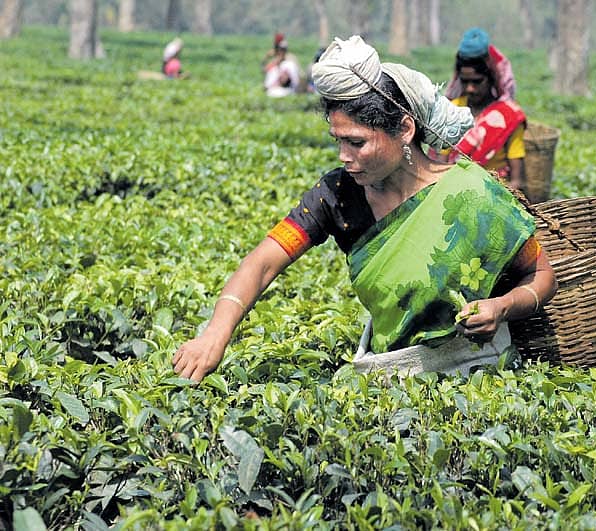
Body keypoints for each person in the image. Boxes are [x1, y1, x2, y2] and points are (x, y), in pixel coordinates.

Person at [173, 36, 557, 382]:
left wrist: (501, 307)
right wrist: (214, 336)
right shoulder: (337, 194)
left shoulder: (473, 191)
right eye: (338, 141)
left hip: (480, 377)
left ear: (405, 130)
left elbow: (541, 275)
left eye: (357, 143)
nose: (345, 157)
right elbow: (262, 263)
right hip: (393, 373)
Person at [439, 27, 527, 192]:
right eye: (465, 82)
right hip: (454, 194)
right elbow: (441, 165)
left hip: (495, 196)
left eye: (477, 81)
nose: (470, 88)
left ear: (491, 78)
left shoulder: (509, 116)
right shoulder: (451, 109)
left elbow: (517, 181)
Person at [262, 33, 301, 97]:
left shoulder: (290, 59)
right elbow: (265, 70)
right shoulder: (275, 60)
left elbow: (296, 76)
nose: (281, 52)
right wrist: (266, 57)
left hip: (289, 88)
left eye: (282, 50)